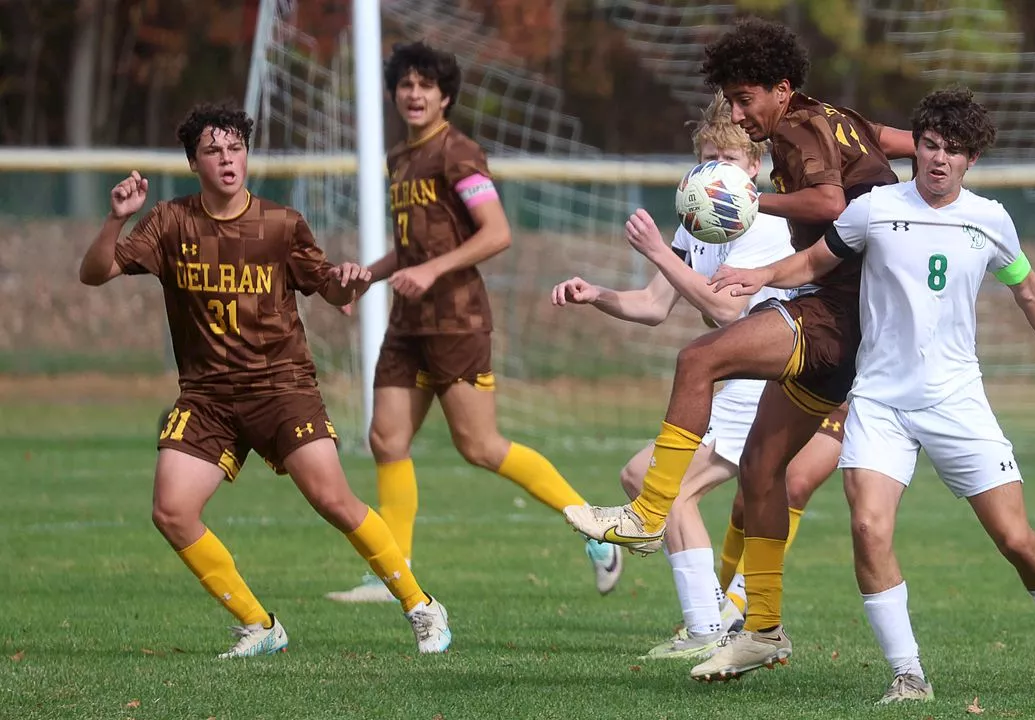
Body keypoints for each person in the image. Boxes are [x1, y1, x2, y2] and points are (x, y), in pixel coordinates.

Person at [712, 86, 1035, 701]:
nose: (938, 159)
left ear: (971, 161)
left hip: (956, 401)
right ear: (918, 149)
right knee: (868, 527)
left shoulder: (990, 220)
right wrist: (760, 275)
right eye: (930, 146)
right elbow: (813, 264)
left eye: (953, 151)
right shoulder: (875, 208)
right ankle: (908, 674)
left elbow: (1031, 290)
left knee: (1016, 540)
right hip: (880, 401)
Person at [563, 17, 913, 679]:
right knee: (760, 472)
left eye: (745, 98)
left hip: (841, 314)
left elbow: (832, 201)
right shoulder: (835, 116)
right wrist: (936, 158)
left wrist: (758, 199)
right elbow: (898, 140)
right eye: (730, 98)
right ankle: (763, 630)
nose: (738, 112)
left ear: (781, 89)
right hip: (857, 314)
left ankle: (647, 514)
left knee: (700, 358)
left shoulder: (793, 129)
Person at [78, 103, 450, 658]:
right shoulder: (168, 222)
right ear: (193, 162)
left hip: (281, 387)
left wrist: (351, 281)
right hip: (207, 397)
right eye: (213, 151)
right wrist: (116, 218)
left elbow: (333, 291)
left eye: (235, 149)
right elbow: (94, 273)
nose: (227, 160)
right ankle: (261, 626)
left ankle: (422, 607)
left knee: (333, 498)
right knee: (171, 511)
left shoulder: (281, 224)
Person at [326, 42, 623, 603]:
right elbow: (413, 245)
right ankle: (396, 574)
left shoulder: (458, 153)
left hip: (456, 322)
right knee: (386, 439)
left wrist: (433, 270)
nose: (414, 94)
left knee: (481, 446)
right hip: (408, 323)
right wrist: (368, 275)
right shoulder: (399, 160)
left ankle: (597, 532)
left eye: (426, 86)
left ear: (446, 97)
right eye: (405, 85)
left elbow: (496, 232)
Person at [551, 93, 844, 660]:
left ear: (754, 168)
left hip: (769, 380)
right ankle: (711, 623)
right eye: (707, 164)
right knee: (641, 476)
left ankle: (708, 627)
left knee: (665, 487)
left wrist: (661, 252)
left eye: (728, 164)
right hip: (735, 378)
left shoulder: (764, 224)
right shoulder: (700, 222)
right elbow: (654, 305)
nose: (715, 179)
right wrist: (597, 295)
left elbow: (730, 310)